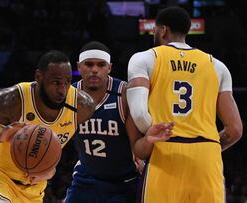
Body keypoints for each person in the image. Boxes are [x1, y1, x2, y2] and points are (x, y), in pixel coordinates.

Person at [126, 6, 243, 203]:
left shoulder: (144, 58)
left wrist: (153, 136)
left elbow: (138, 113)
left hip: (165, 149)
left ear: (162, 30)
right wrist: (207, 147)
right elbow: (235, 129)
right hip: (207, 156)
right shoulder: (218, 66)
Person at [0, 50, 96, 203]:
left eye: (67, 82)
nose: (62, 90)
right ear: (39, 77)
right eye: (55, 82)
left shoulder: (82, 107)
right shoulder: (12, 99)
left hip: (34, 190)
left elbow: (56, 154)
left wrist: (49, 171)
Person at [64, 41, 170, 203]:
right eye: (88, 64)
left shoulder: (124, 94)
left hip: (123, 183)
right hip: (86, 180)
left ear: (109, 68)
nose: (94, 70)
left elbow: (137, 143)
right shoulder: (69, 96)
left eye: (101, 65)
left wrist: (145, 146)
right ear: (79, 66)